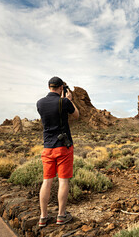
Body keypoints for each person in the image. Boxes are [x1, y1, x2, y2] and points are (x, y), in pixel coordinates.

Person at [36, 76, 79, 227]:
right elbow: (76, 115)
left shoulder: (40, 103)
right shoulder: (64, 102)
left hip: (47, 148)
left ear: (49, 87)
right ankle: (61, 215)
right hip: (63, 147)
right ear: (61, 88)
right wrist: (69, 99)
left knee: (46, 181)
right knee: (63, 181)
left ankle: (43, 216)